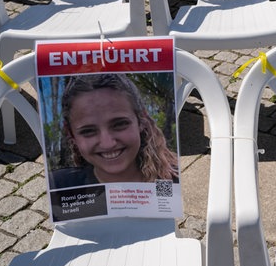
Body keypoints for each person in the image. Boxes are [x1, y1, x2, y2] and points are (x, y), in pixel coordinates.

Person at [49, 73, 179, 188]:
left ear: (141, 120)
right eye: (88, 131)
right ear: (71, 134)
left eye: (120, 124)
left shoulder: (170, 178)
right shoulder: (60, 185)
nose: (108, 143)